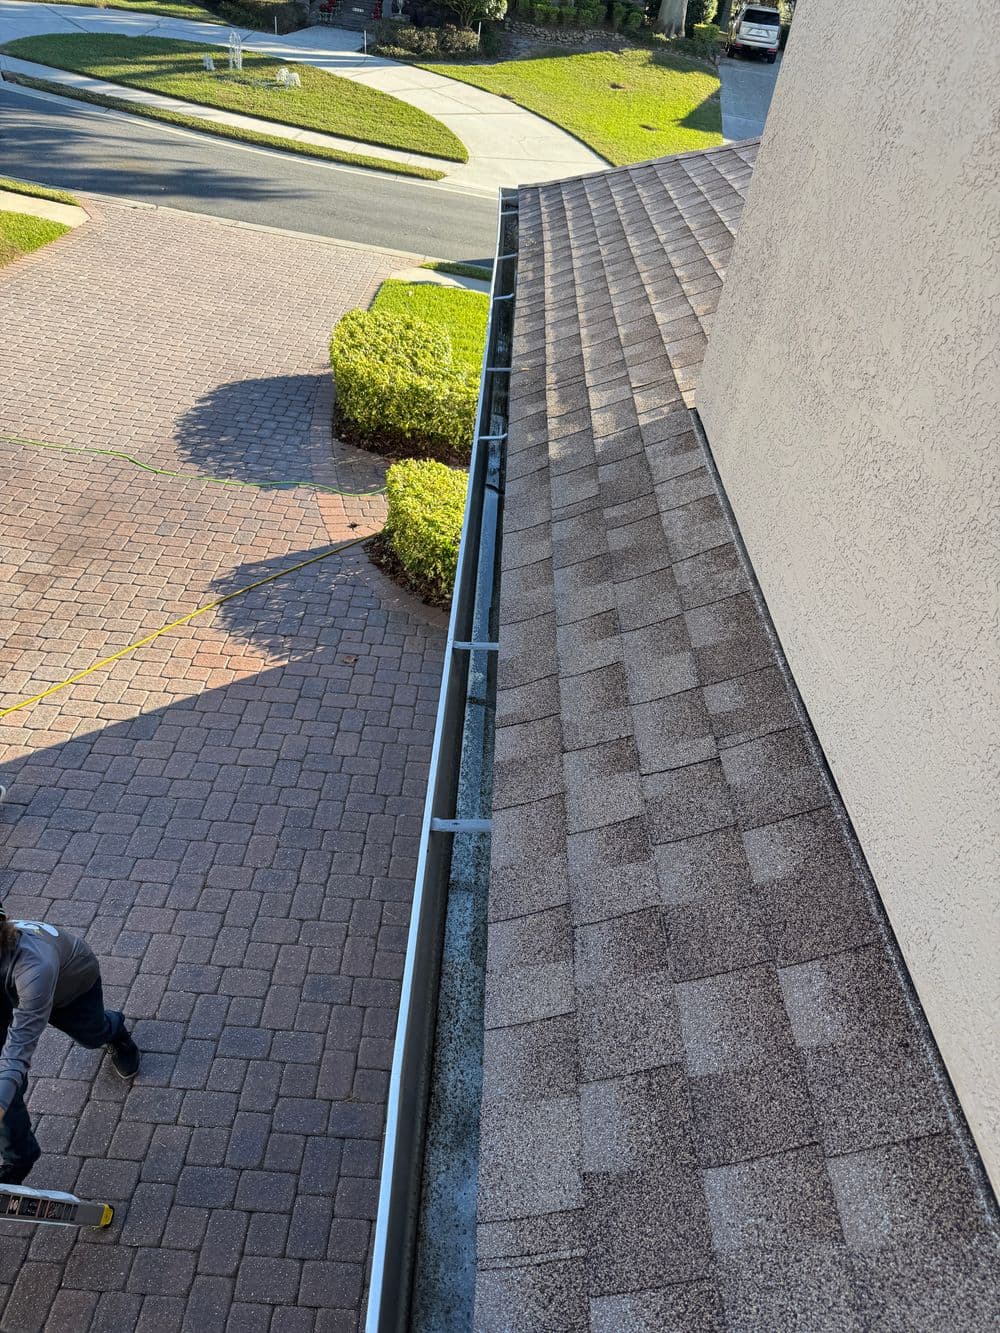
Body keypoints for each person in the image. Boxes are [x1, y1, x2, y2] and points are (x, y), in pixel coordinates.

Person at [0, 906, 140, 1185]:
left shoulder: (35, 966)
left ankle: (115, 1030)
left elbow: (18, 1051)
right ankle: (19, 1158)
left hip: (70, 985)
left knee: (91, 1034)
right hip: (9, 989)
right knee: (5, 1082)